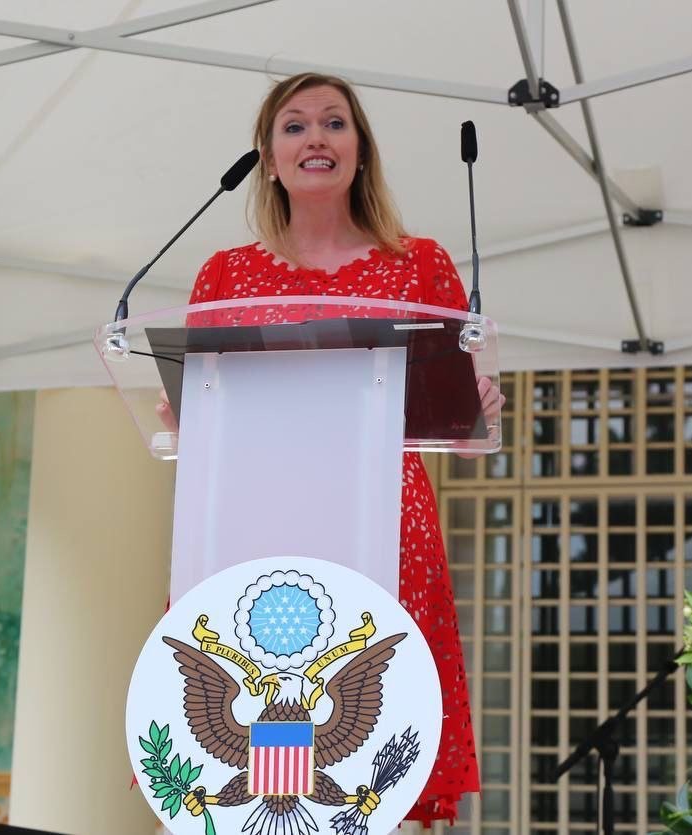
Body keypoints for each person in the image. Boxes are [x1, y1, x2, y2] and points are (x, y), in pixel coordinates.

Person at [178, 72, 505, 827]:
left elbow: (462, 434)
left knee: (366, 764)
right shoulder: (223, 275)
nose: (316, 138)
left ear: (361, 151)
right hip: (254, 529)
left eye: (334, 123)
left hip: (382, 525)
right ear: (267, 156)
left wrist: (479, 410)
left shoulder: (419, 264)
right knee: (259, 769)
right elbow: (199, 418)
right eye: (294, 126)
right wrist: (183, 407)